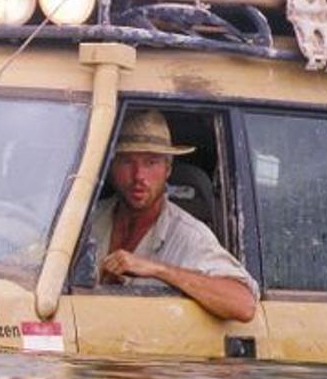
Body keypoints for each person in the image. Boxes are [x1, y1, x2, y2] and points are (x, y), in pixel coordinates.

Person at [93, 109, 259, 322]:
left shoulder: (188, 235)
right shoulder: (86, 220)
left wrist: (157, 270)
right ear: (112, 167)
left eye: (151, 162)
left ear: (168, 169)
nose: (138, 176)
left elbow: (243, 304)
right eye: (127, 161)